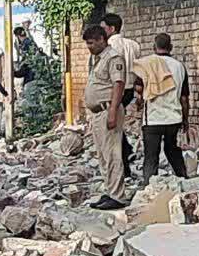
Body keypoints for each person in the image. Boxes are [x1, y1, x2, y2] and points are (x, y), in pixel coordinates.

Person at [130, 33, 189, 185]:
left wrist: (140, 98)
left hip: (153, 119)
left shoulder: (148, 64)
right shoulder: (179, 67)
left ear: (154, 47)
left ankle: (149, 186)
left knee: (151, 155)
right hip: (174, 118)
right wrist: (185, 119)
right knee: (172, 150)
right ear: (171, 47)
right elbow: (184, 98)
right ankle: (184, 179)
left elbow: (138, 89)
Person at [81, 25, 126, 211]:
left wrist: (113, 111)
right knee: (102, 154)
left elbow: (118, 84)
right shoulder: (97, 59)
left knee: (113, 154)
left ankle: (117, 195)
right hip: (97, 112)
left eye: (91, 43)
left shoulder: (113, 57)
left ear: (101, 39)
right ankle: (109, 191)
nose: (89, 47)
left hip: (108, 109)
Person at [103, 14, 140, 178]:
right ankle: (126, 156)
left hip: (116, 90)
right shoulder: (134, 45)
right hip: (130, 89)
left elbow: (114, 75)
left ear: (111, 29)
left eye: (103, 28)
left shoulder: (108, 46)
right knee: (117, 125)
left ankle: (124, 157)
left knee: (112, 126)